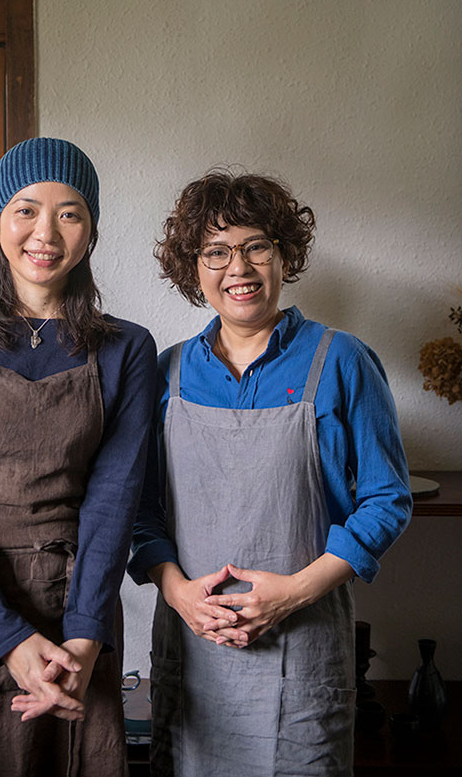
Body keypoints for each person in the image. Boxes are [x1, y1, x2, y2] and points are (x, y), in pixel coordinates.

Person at [129, 170, 412, 777]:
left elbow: (387, 501)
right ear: (193, 267)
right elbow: (141, 508)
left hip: (304, 650)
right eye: (216, 251)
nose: (240, 267)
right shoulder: (167, 372)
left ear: (284, 254)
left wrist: (293, 594)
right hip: (193, 650)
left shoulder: (341, 361)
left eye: (257, 246)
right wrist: (177, 593)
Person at [0, 137, 157, 777]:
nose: (46, 232)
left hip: (79, 610)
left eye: (69, 213)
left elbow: (114, 500)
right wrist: (8, 639)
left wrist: (85, 634)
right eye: (25, 209)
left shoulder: (128, 349)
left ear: (91, 231)